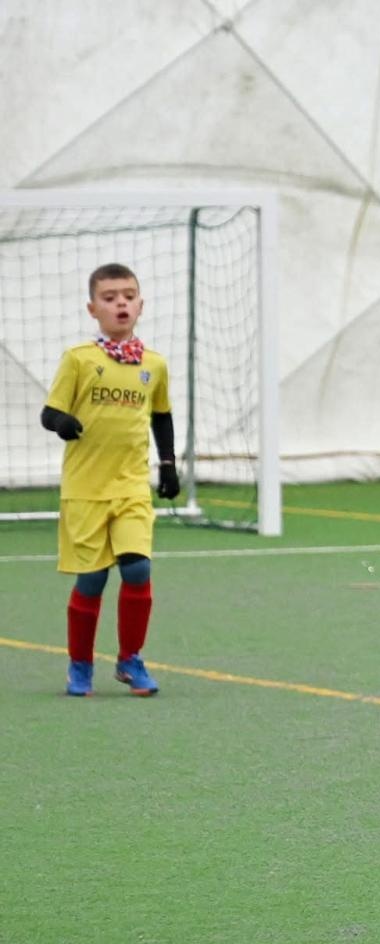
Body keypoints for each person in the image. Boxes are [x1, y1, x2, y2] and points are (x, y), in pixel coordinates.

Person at [40, 263, 181, 697]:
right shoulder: (79, 359)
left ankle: (130, 660)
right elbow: (49, 413)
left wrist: (169, 463)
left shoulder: (153, 365)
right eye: (109, 297)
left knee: (137, 567)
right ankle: (79, 664)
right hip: (86, 490)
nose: (120, 302)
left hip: (131, 486)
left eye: (128, 295)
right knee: (94, 578)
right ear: (92, 308)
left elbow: (161, 415)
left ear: (141, 304)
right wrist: (63, 422)